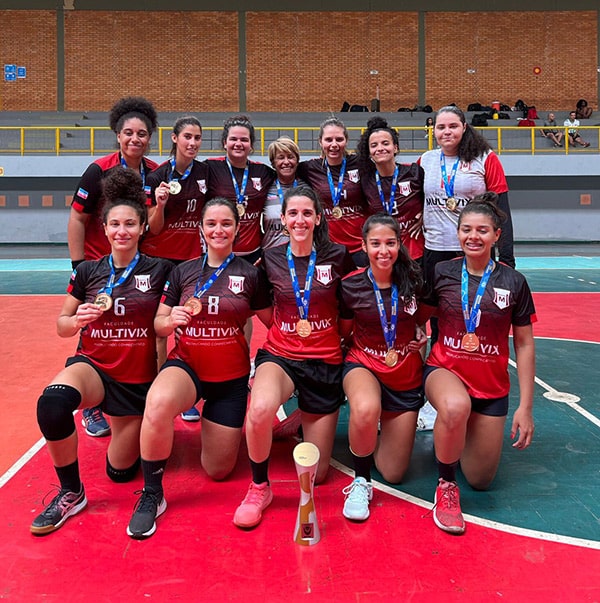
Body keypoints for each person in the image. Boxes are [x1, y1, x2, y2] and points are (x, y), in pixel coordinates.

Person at [30, 168, 172, 535]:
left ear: (142, 227)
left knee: (120, 472)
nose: (121, 230)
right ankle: (71, 492)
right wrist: (76, 319)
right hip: (93, 365)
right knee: (51, 404)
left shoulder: (162, 271)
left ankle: (132, 425)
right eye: (114, 224)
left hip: (135, 381)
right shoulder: (88, 271)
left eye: (129, 223)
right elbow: (62, 325)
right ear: (104, 229)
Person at [126, 197, 272, 539]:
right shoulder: (183, 271)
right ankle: (152, 493)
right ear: (201, 230)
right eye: (212, 224)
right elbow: (159, 323)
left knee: (217, 470)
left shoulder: (252, 275)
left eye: (226, 224)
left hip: (230, 379)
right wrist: (169, 319)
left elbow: (275, 322)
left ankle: (208, 425)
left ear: (237, 229)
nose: (218, 230)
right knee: (159, 402)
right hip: (187, 367)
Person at [233, 185, 355, 529]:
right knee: (257, 412)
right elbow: (264, 310)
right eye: (293, 214)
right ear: (283, 219)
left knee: (317, 476)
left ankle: (302, 415)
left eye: (306, 213)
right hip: (281, 355)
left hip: (326, 361)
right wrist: (289, 330)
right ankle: (259, 487)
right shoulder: (269, 258)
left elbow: (347, 313)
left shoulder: (338, 257)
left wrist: (324, 335)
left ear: (317, 218)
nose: (299, 220)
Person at [423, 193, 536, 535]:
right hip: (445, 370)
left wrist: (526, 407)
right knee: (455, 406)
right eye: (467, 229)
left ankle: (454, 437)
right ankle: (445, 487)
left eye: (483, 230)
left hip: (490, 387)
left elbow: (525, 343)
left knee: (481, 480)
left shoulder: (514, 282)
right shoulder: (441, 272)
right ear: (458, 233)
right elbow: (420, 320)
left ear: (497, 235)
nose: (474, 236)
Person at [67, 96, 159, 437]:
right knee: (94, 328)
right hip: (99, 265)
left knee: (133, 330)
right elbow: (77, 218)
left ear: (150, 137)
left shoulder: (154, 172)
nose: (135, 139)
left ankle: (135, 391)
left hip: (136, 267)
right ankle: (92, 404)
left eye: (142, 134)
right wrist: (79, 265)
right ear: (117, 135)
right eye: (129, 133)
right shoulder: (98, 170)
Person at [338, 214, 430, 521]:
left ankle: (374, 436)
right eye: (375, 243)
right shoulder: (350, 286)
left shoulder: (414, 281)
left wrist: (421, 338)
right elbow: (344, 332)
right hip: (363, 363)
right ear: (363, 246)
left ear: (400, 245)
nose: (383, 251)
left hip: (404, 372)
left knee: (393, 473)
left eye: (390, 243)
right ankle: (361, 480)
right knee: (365, 407)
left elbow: (421, 322)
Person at [418, 105, 516, 344]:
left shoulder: (485, 158)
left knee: (475, 308)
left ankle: (473, 361)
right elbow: (413, 200)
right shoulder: (425, 161)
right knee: (437, 314)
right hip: (434, 250)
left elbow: (502, 211)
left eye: (453, 126)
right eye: (441, 127)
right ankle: (440, 364)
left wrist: (507, 259)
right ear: (434, 131)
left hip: (474, 250)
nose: (447, 132)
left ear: (464, 127)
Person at [297, 116, 369, 266]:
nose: (334, 145)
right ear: (320, 142)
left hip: (361, 246)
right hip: (328, 247)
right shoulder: (309, 168)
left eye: (339, 139)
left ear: (346, 140)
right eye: (328, 140)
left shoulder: (361, 163)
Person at [205, 114, 275, 265]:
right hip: (219, 253)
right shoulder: (209, 168)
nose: (238, 144)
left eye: (244, 140)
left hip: (254, 255)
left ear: (251, 145)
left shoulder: (263, 172)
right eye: (233, 139)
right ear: (225, 143)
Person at [357, 116, 425, 262]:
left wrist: (426, 214)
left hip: (414, 252)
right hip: (383, 254)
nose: (380, 148)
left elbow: (432, 198)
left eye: (385, 143)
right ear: (369, 152)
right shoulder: (365, 181)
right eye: (374, 145)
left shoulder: (415, 173)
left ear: (395, 147)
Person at [141, 115, 207, 263]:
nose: (193, 143)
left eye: (197, 138)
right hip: (158, 256)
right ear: (174, 138)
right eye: (187, 137)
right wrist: (160, 206)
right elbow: (154, 229)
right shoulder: (156, 177)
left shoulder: (205, 172)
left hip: (191, 257)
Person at [262, 137, 306, 250]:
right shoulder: (265, 189)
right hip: (271, 256)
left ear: (297, 160)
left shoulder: (307, 189)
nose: (286, 162)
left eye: (291, 157)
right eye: (280, 157)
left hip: (303, 254)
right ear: (273, 162)